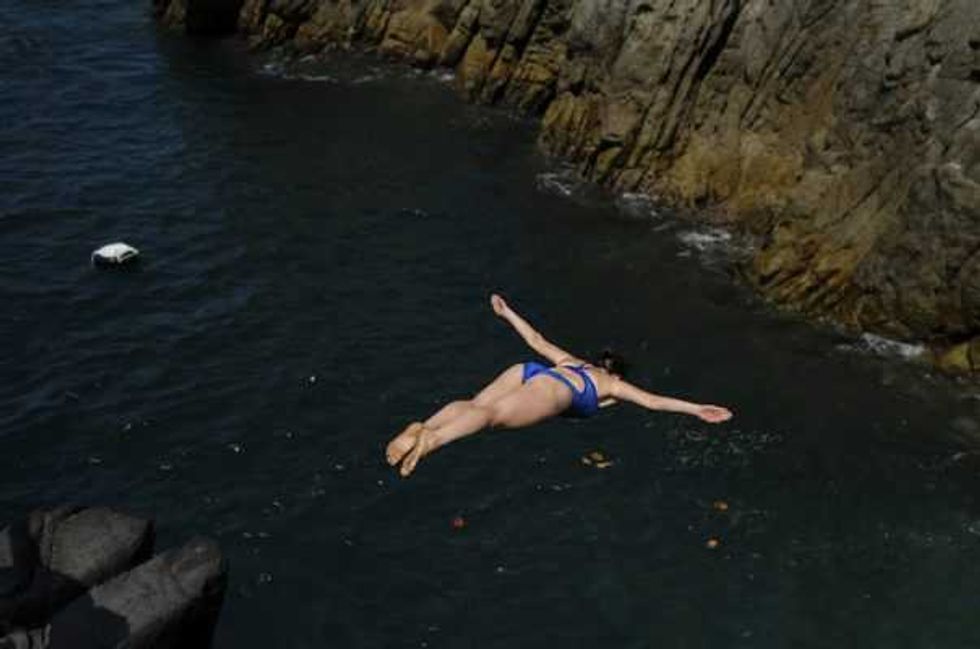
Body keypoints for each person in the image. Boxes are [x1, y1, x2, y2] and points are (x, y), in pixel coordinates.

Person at [386, 294, 733, 477]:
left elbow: (536, 340)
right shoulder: (610, 385)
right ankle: (434, 439)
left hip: (530, 371)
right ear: (617, 374)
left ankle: (426, 425)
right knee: (490, 417)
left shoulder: (574, 361)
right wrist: (697, 409)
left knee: (475, 405)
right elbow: (654, 402)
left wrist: (507, 313)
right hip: (556, 392)